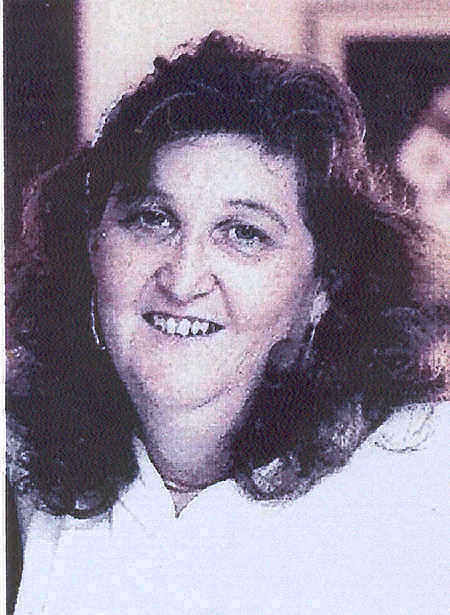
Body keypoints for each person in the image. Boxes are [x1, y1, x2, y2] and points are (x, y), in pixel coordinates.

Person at [7, 32, 448, 614]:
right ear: (92, 246)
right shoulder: (17, 466)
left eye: (244, 233)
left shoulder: (425, 473)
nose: (184, 278)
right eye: (153, 219)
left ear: (321, 290)